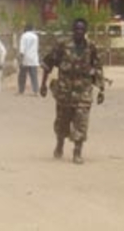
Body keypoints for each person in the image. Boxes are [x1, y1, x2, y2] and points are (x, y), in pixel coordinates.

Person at [40, 18, 105, 164]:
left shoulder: (91, 47)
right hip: (64, 91)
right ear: (72, 30)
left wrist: (101, 90)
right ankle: (60, 144)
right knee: (62, 122)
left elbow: (98, 67)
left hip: (83, 91)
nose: (79, 32)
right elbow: (47, 64)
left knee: (81, 121)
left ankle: (77, 151)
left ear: (85, 31)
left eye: (82, 29)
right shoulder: (63, 46)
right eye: (76, 29)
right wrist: (43, 85)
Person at [17, 23, 40, 96]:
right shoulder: (35, 37)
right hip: (33, 58)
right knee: (34, 76)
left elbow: (22, 48)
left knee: (22, 76)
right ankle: (36, 91)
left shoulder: (24, 36)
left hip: (25, 59)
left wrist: (20, 57)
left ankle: (21, 91)